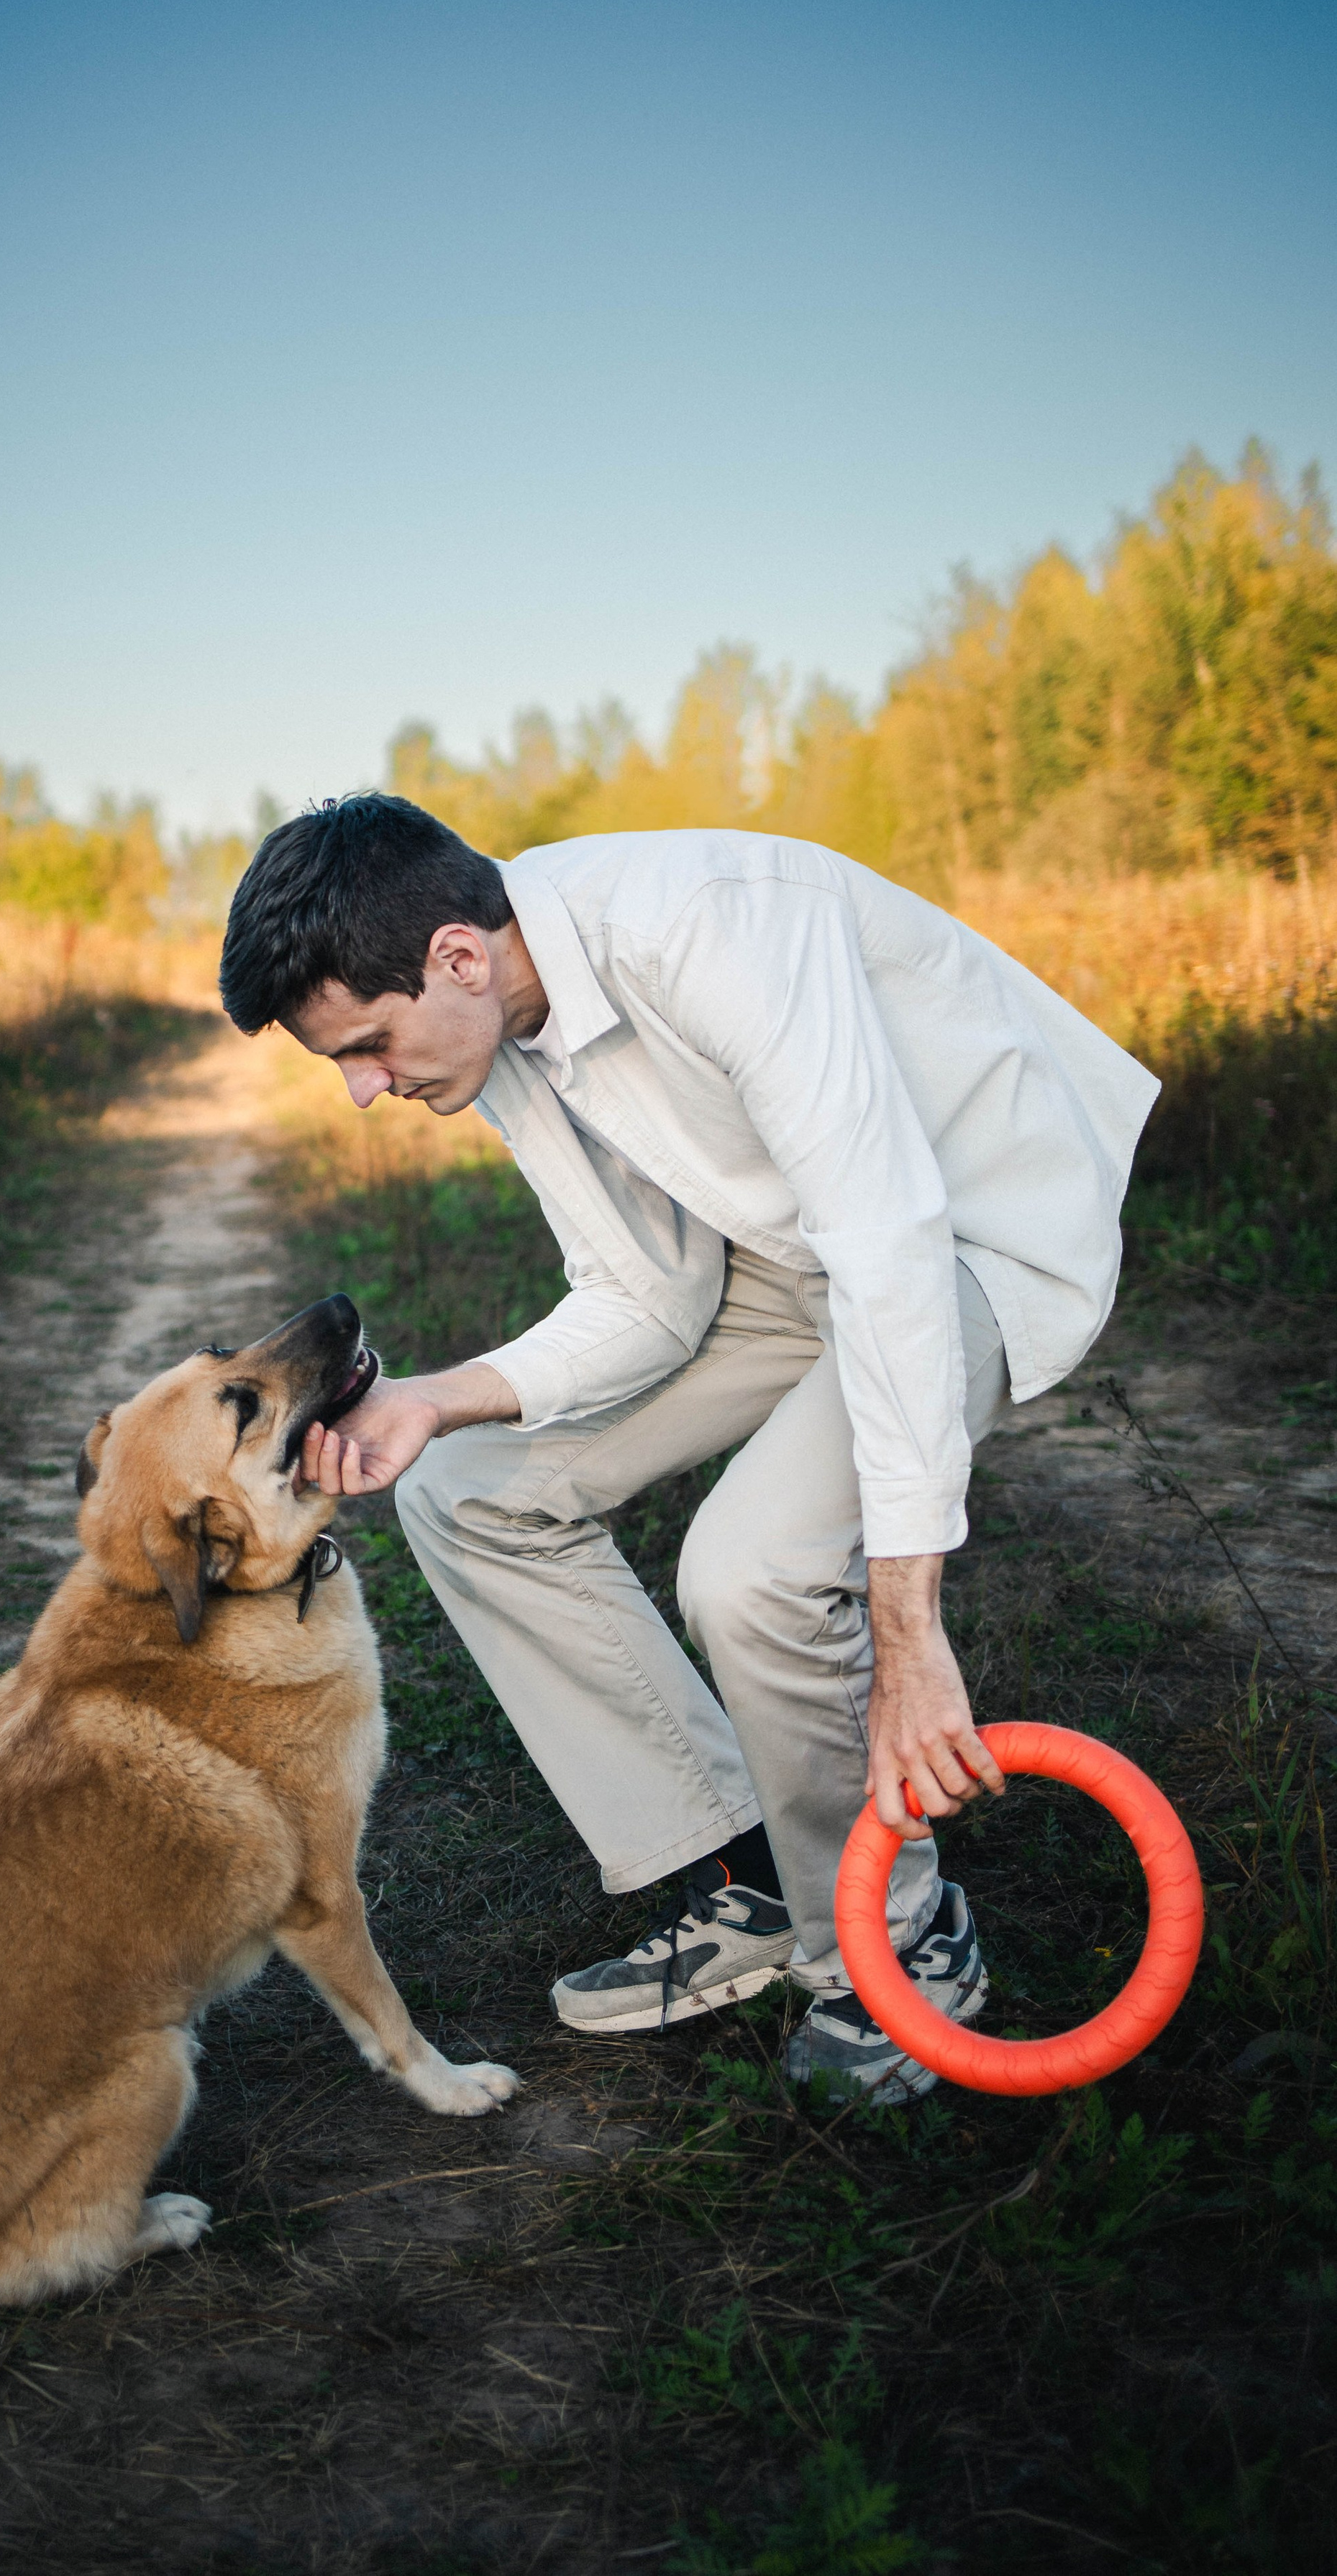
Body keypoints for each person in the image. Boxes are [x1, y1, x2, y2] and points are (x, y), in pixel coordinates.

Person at [218, 797, 1159, 2102]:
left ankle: (901, 1949)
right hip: (788, 1265)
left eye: (366, 1046)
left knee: (753, 1571)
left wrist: (907, 1623)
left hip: (960, 1246)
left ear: (457, 958)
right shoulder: (508, 1029)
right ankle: (761, 1876)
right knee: (463, 1489)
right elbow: (648, 1295)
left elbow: (887, 1248)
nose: (366, 1087)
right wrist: (428, 1401)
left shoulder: (714, 932)